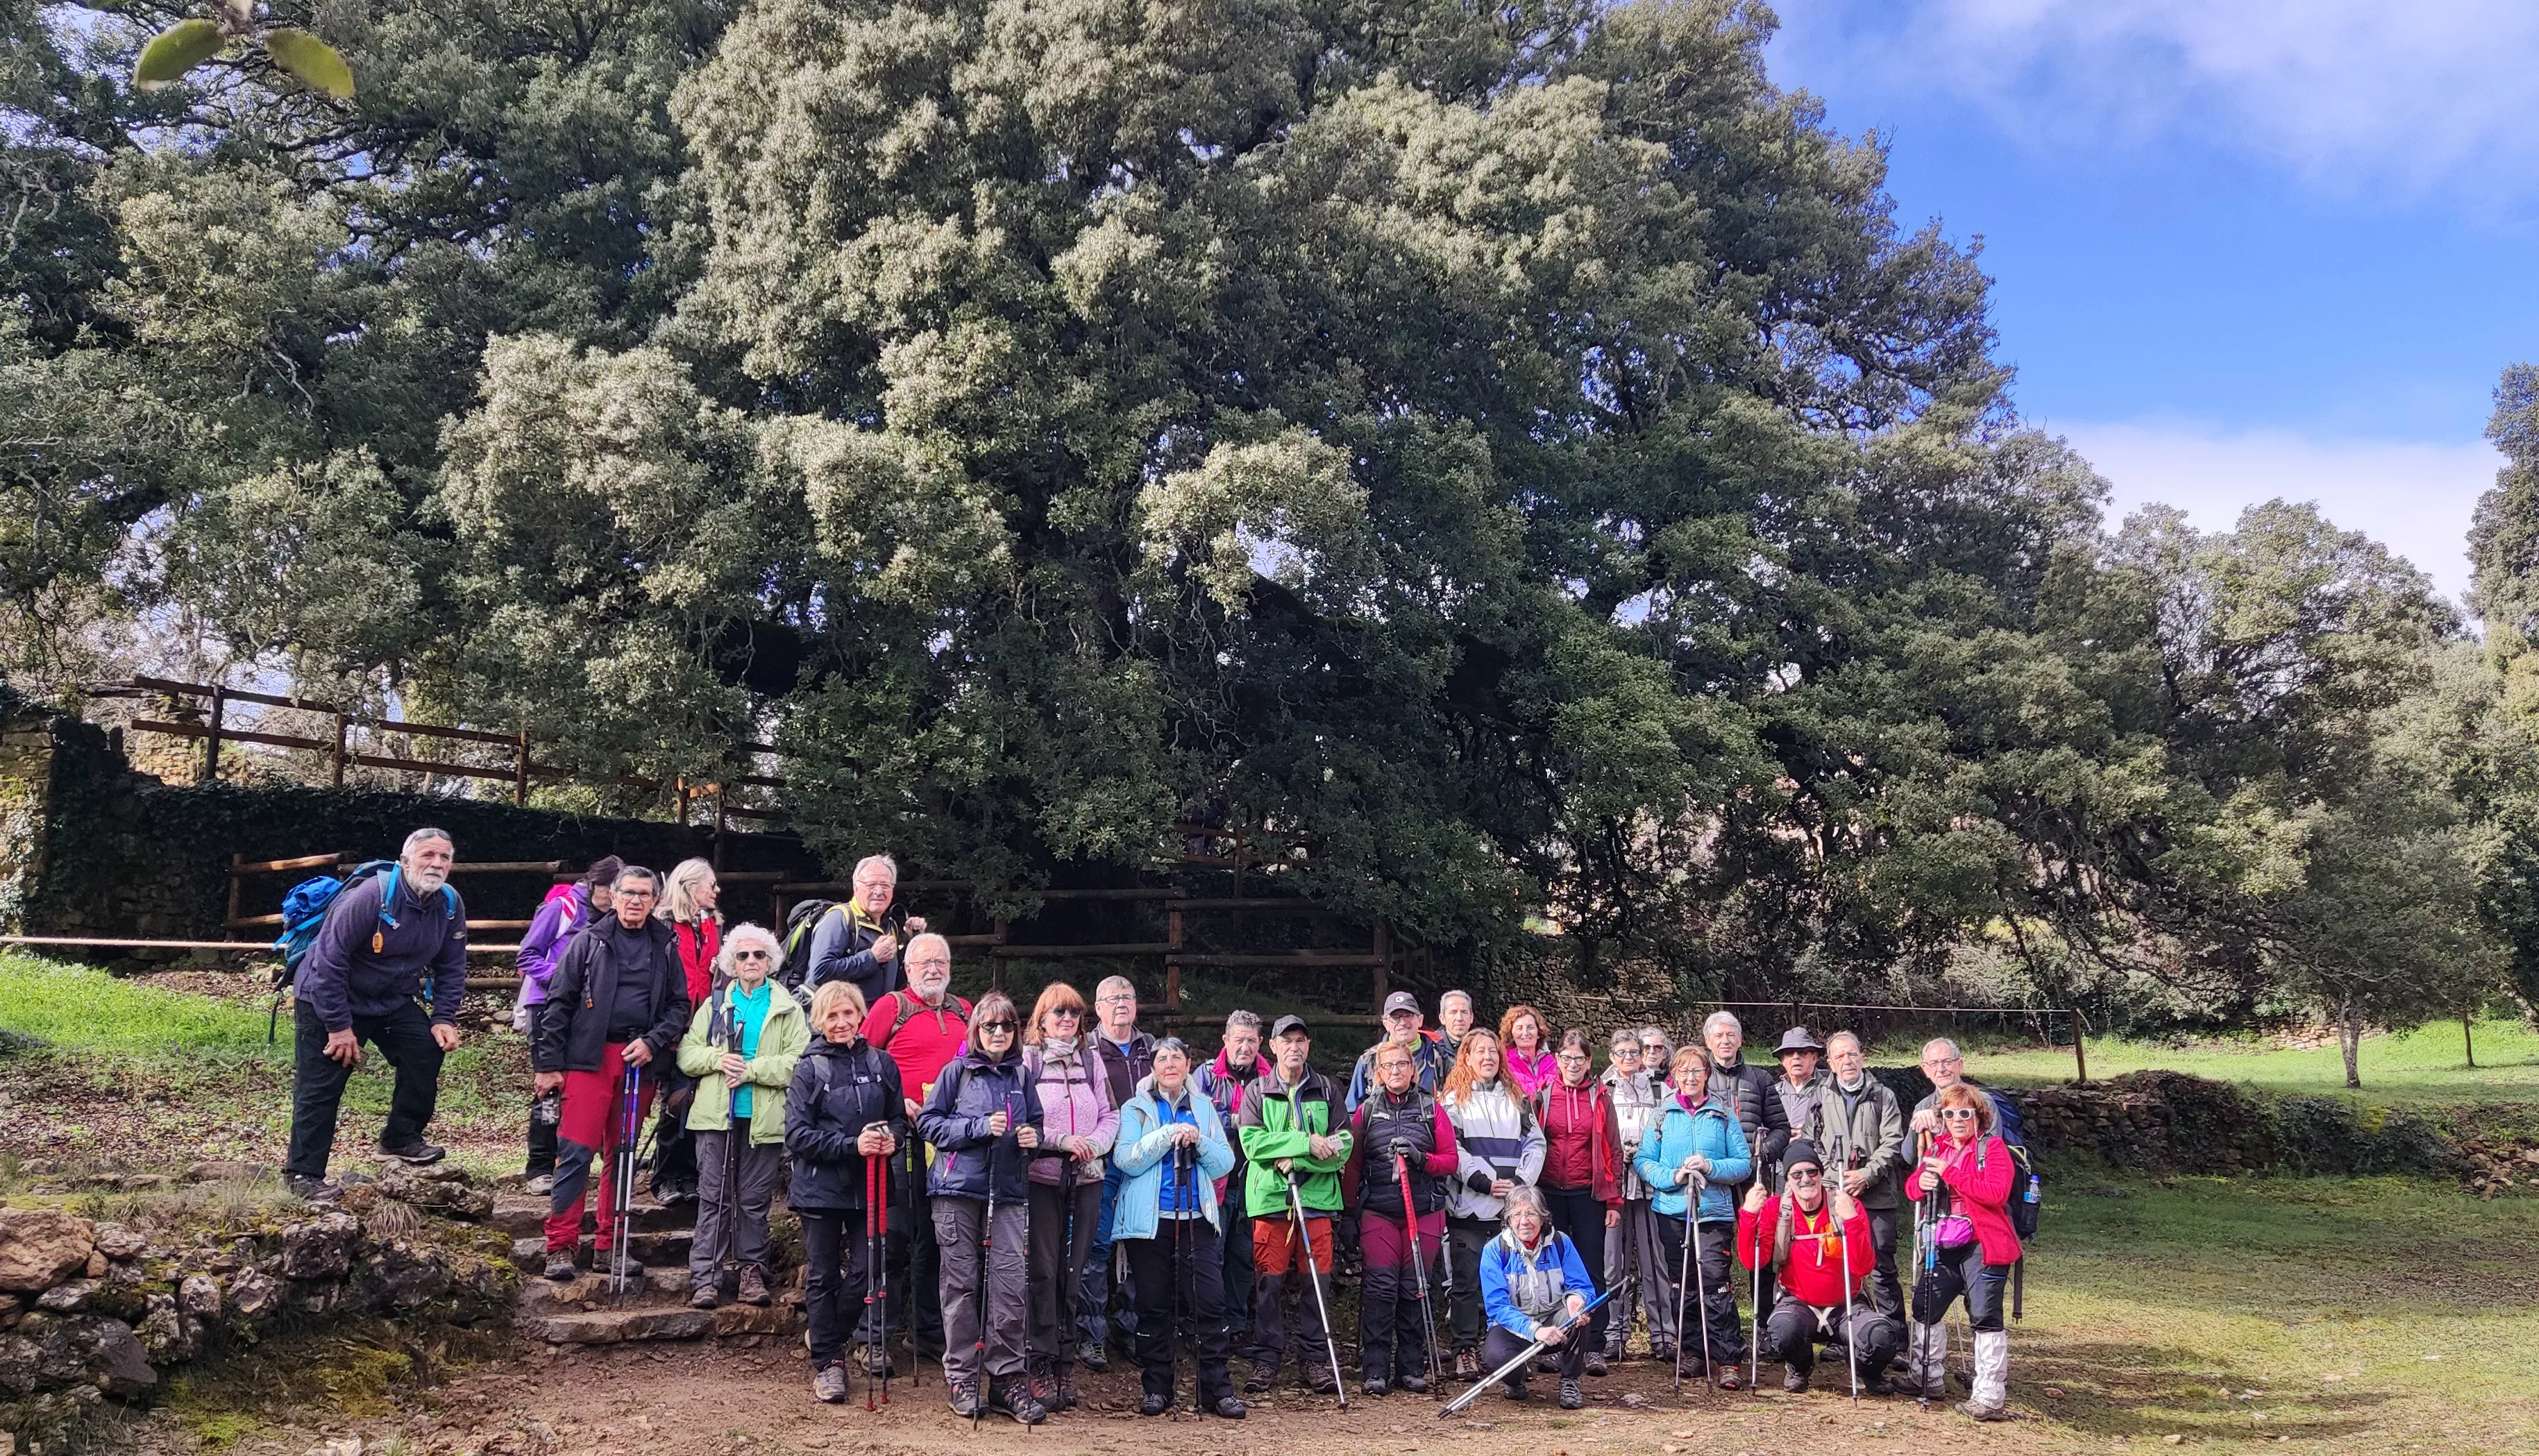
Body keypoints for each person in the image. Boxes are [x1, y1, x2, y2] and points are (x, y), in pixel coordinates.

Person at [284, 827, 470, 1199]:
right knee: (323, 1083)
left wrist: (444, 1017)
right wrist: (338, 1027)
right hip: (327, 995)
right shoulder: (370, 897)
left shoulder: (449, 903)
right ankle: (303, 1175)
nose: (436, 864)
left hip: (390, 998)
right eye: (427, 856)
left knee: (424, 1051)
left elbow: (452, 966)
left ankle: (400, 1138)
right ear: (405, 861)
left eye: (444, 858)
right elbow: (328, 963)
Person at [532, 865, 691, 1282]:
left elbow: (679, 1007)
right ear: (613, 896)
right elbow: (558, 1005)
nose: (635, 901)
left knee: (621, 1157)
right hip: (588, 1060)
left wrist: (654, 1042)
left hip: (640, 1060)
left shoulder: (667, 946)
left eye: (644, 894)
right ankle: (561, 1247)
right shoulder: (588, 941)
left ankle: (610, 1245)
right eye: (628, 893)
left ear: (655, 901)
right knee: (576, 1153)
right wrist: (548, 1065)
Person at [918, 991, 1046, 1424]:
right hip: (957, 1191)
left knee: (1009, 1287)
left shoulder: (1022, 1076)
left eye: (1006, 1026)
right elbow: (929, 1124)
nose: (998, 1033)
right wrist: (977, 1128)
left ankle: (1007, 1378)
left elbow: (1037, 1123)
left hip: (1008, 1191)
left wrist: (1032, 1138)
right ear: (976, 1030)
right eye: (989, 1026)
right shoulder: (957, 1072)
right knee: (961, 1286)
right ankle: (963, 1377)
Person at [784, 980, 906, 1403]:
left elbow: (898, 1120)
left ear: (860, 1015)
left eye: (848, 1013)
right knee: (821, 1274)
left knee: (868, 1269)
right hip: (820, 1187)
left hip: (871, 1184)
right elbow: (797, 1135)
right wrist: (851, 1145)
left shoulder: (882, 1062)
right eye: (832, 1015)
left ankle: (826, 1336)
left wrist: (893, 1139)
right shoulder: (808, 1067)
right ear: (819, 1019)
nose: (841, 1023)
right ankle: (829, 1364)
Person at [1113, 1037, 1246, 1419]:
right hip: (1149, 1224)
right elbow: (1126, 1160)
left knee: (1209, 1301)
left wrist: (1198, 1141)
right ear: (1152, 1067)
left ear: (1189, 1064)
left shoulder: (1203, 1107)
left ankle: (1216, 1389)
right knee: (1153, 1305)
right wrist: (1166, 1135)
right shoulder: (1135, 1108)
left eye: (1177, 1057)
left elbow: (1224, 1163)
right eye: (1162, 1058)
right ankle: (1157, 1388)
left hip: (1197, 1219)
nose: (1170, 1063)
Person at [677, 922, 807, 1310]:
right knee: (714, 1197)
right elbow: (687, 1054)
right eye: (743, 955)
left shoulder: (788, 1008)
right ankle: (706, 1278)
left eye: (760, 955)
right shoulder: (717, 1004)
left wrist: (751, 1070)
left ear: (771, 961)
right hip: (716, 1117)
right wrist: (719, 1059)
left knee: (753, 1200)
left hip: (764, 1117)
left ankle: (752, 1270)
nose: (751, 961)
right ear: (731, 962)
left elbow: (799, 1063)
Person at [861, 932, 970, 1364]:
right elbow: (864, 1062)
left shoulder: (965, 1010)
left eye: (940, 961)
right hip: (903, 1133)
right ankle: (874, 1335)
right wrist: (895, 1099)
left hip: (951, 1139)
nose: (933, 969)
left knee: (937, 1234)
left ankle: (927, 1330)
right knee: (896, 1232)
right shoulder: (893, 1006)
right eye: (923, 962)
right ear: (908, 969)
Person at [1235, 1015, 1352, 1396]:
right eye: (1287, 1041)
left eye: (1301, 1040)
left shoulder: (1328, 1090)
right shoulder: (1256, 1091)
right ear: (1273, 1047)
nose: (1294, 1047)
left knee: (1315, 1284)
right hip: (1270, 1200)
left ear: (1308, 1046)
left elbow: (1342, 1146)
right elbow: (1254, 1145)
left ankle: (1316, 1359)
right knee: (1267, 1285)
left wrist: (1299, 1159)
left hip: (1317, 1201)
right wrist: (1304, 1142)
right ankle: (1267, 1359)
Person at [1735, 1140, 1898, 1395]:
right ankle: (1800, 1367)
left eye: (1812, 1172)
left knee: (1882, 1336)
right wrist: (1747, 1215)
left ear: (1821, 1174)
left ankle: (1868, 1371)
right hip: (1798, 1302)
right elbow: (1753, 1262)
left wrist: (1852, 1222)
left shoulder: (1846, 1205)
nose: (1806, 1180)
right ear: (1787, 1179)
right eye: (1797, 1174)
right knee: (1780, 1334)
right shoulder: (1776, 1209)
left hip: (1848, 1302)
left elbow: (1864, 1265)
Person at [1634, 1047, 1752, 1387]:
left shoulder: (1723, 1113)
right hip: (1672, 1211)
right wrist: (1672, 1177)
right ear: (1674, 1075)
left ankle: (1728, 1358)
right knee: (1681, 1284)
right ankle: (1692, 1353)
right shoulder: (1662, 1115)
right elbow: (1644, 1161)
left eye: (1696, 1071)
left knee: (1715, 1284)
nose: (1690, 1078)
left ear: (1707, 1074)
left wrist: (1710, 1167)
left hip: (1713, 1212)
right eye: (1683, 1071)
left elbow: (1743, 1163)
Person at [1344, 1040, 1457, 1396]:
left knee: (1416, 1286)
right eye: (1388, 1066)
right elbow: (1353, 1165)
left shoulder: (1430, 1109)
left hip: (1423, 1210)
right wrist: (1348, 1214)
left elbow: (1451, 1160)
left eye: (1402, 1065)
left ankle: (1411, 1366)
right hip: (1380, 1210)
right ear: (1378, 1072)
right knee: (1379, 1287)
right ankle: (1375, 1367)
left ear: (1414, 1069)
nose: (1395, 1071)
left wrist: (1422, 1159)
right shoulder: (1366, 1110)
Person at [1022, 981, 1115, 1410]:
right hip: (1042, 1179)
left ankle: (1064, 1364)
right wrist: (1061, 1139)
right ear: (1042, 1019)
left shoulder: (1092, 1061)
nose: (1067, 1020)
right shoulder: (1028, 1061)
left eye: (1074, 1014)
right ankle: (1039, 1363)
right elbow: (1020, 1117)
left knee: (1074, 1272)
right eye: (1058, 1013)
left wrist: (1092, 1144)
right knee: (1044, 1273)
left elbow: (1111, 1114)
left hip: (1088, 1178)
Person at [1904, 1083, 2022, 1421]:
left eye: (1965, 1113)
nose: (1957, 1120)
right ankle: (1928, 1375)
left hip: (1983, 1243)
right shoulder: (1937, 1148)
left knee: (1985, 1315)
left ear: (1978, 1118)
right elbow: (1913, 1187)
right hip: (1942, 1241)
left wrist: (1950, 1175)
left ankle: (1988, 1396)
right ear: (1942, 1118)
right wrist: (1921, 1184)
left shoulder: (1993, 1148)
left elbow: (1997, 1193)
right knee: (1925, 1306)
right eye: (1950, 1113)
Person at [1440, 1027, 1544, 1379]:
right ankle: (1465, 1351)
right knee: (1467, 1283)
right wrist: (1482, 1181)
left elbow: (1536, 1145)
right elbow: (1452, 1148)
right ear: (1466, 1057)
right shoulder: (1453, 1101)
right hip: (1469, 1208)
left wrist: (1519, 1184)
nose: (1488, 1058)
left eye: (1493, 1052)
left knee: (1512, 1284)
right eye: (1480, 1052)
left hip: (1510, 1212)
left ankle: (1510, 1351)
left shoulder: (1517, 1099)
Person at [515, 856, 619, 1195]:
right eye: (608, 890)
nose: (613, 897)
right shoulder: (562, 908)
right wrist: (564, 980)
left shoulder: (612, 917)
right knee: (550, 1085)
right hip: (545, 1008)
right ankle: (540, 1168)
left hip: (589, 1014)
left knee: (584, 1083)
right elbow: (527, 955)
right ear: (594, 885)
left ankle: (594, 1157)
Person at [1079, 974, 1155, 1372]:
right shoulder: (1086, 1049)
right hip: (1101, 1162)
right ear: (1098, 1007)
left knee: (1141, 1247)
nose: (1121, 1003)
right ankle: (1091, 1336)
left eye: (1128, 996)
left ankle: (1133, 1331)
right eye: (1112, 998)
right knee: (1095, 1247)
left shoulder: (1153, 1049)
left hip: (1144, 1163)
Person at [1535, 1028, 1620, 1375]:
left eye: (1580, 1059)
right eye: (1567, 1058)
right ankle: (1558, 1344)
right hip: (1550, 1192)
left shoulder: (1600, 1098)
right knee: (1552, 1271)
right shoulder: (1542, 1095)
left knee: (1590, 1269)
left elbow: (1612, 1150)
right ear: (1557, 1060)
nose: (1573, 1064)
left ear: (1589, 1062)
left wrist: (1613, 1201)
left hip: (1588, 1193)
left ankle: (1594, 1345)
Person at [1478, 1185, 1596, 1410]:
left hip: (1555, 1321)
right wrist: (1534, 1329)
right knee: (1495, 1356)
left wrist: (1577, 1300)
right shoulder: (1495, 1250)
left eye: (1531, 1213)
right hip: (1515, 1328)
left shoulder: (1561, 1243)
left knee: (1581, 1320)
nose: (1525, 1221)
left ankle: (1570, 1380)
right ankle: (1515, 1380)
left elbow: (1584, 1287)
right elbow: (1497, 1307)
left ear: (1543, 1217)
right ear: (1508, 1219)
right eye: (1517, 1214)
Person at [649, 858, 723, 1207]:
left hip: (704, 1026)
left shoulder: (712, 926)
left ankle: (690, 1175)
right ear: (691, 887)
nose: (716, 891)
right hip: (669, 1025)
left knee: (697, 1102)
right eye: (711, 884)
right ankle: (665, 1177)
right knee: (675, 1103)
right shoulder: (661, 924)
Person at [1821, 1032, 1907, 1319]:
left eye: (1852, 1054)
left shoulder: (1884, 1096)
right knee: (1838, 1265)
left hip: (1878, 1197)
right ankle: (1846, 1335)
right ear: (1831, 1063)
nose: (1847, 1061)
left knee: (1882, 1267)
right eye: (1840, 1056)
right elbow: (1811, 1144)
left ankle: (1894, 1338)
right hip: (1835, 1195)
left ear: (1862, 1057)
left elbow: (1893, 1142)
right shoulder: (1820, 1097)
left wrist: (1866, 1176)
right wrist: (1837, 1177)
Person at [1602, 1026, 1672, 1364]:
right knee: (1612, 1264)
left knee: (1654, 1262)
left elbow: (1668, 1133)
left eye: (1635, 1052)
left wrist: (1646, 1153)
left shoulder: (1660, 1089)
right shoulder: (1602, 1090)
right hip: (1614, 1189)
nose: (1630, 1058)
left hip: (1651, 1187)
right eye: (1623, 1053)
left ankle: (1662, 1335)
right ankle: (1614, 1333)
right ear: (1612, 1056)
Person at [805, 855, 928, 1005]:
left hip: (876, 1022)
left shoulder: (889, 925)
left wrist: (912, 942)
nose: (878, 892)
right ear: (856, 888)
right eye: (871, 885)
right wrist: (872, 958)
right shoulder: (838, 919)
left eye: (885, 885)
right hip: (840, 1023)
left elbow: (896, 981)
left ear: (892, 889)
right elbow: (820, 972)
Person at [1346, 991, 1450, 1110]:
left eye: (1408, 1016)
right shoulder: (1369, 1060)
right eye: (1395, 1018)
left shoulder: (1440, 1058)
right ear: (1385, 1024)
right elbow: (1351, 1111)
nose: (1403, 1023)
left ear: (1420, 1020)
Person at [1770, 1026, 1833, 1154]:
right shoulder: (1773, 1092)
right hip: (1777, 1168)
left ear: (1815, 1058)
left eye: (1803, 1052)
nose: (1796, 1057)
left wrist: (1809, 1134)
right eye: (1789, 1053)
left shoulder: (1831, 1090)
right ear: (1783, 1061)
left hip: (1816, 1165)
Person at [1500, 1005, 1555, 1097]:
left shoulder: (1553, 1064)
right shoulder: (1504, 1064)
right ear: (1511, 1034)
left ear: (1539, 1033)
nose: (1525, 1033)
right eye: (1519, 1028)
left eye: (1530, 1027)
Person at [1435, 990, 1476, 1061]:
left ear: (1471, 1018)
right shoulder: (1431, 1048)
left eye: (1464, 1012)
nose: (1459, 1018)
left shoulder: (1480, 1047)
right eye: (1453, 1012)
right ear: (1442, 1018)